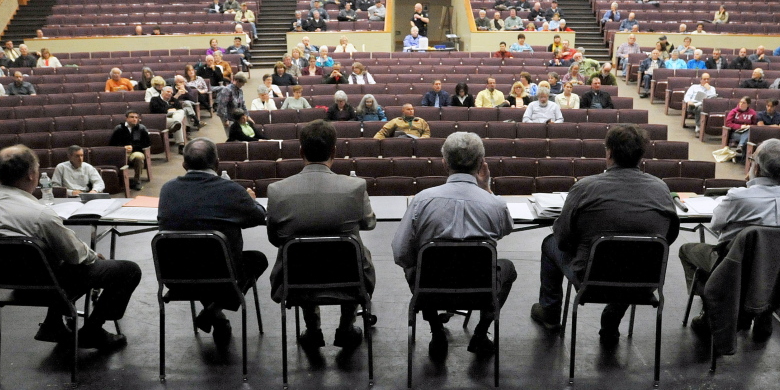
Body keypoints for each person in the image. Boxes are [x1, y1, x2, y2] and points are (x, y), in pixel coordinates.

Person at [530, 125, 679, 346]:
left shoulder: (584, 188)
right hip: (644, 282)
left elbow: (562, 240)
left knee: (549, 243)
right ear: (641, 155)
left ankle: (550, 312)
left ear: (608, 152)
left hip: (591, 280)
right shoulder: (661, 189)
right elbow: (669, 237)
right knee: (633, 260)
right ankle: (612, 319)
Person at [0, 145, 141, 349]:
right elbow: (76, 254)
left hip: (12, 282)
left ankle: (53, 324)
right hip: (49, 285)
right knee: (127, 270)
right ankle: (92, 331)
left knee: (49, 260)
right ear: (31, 175)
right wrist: (94, 256)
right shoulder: (40, 215)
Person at [392, 131, 515, 356]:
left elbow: (400, 253)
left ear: (444, 162)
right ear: (481, 164)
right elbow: (505, 228)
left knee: (415, 266)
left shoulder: (422, 200)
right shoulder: (495, 204)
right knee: (508, 268)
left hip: (430, 289)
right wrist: (486, 189)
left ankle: (436, 331)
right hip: (481, 290)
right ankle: (480, 332)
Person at [679, 138, 780, 338]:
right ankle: (763, 312)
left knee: (687, 250)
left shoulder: (739, 197)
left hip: (735, 269)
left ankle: (711, 313)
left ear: (756, 168)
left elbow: (715, 225)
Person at [266, 120, 375, 350]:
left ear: (301, 151)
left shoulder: (277, 190)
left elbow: (275, 239)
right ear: (334, 151)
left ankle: (313, 329)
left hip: (296, 281)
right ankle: (346, 326)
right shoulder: (355, 187)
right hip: (349, 279)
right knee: (355, 251)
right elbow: (369, 223)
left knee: (300, 253)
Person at [158, 138, 268, 346]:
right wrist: (251, 200)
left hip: (176, 276)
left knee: (199, 258)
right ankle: (214, 310)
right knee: (256, 260)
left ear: (184, 165)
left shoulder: (167, 190)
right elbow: (258, 216)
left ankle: (217, 318)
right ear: (217, 164)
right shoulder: (231, 190)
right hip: (222, 275)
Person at [149, 85, 188, 153]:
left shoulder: (173, 100)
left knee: (181, 112)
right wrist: (168, 111)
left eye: (171, 93)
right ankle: (181, 146)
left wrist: (174, 111)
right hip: (162, 120)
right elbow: (155, 110)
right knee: (178, 123)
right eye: (168, 92)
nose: (170, 94)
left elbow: (179, 108)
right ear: (162, 91)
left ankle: (175, 123)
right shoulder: (155, 99)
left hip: (173, 119)